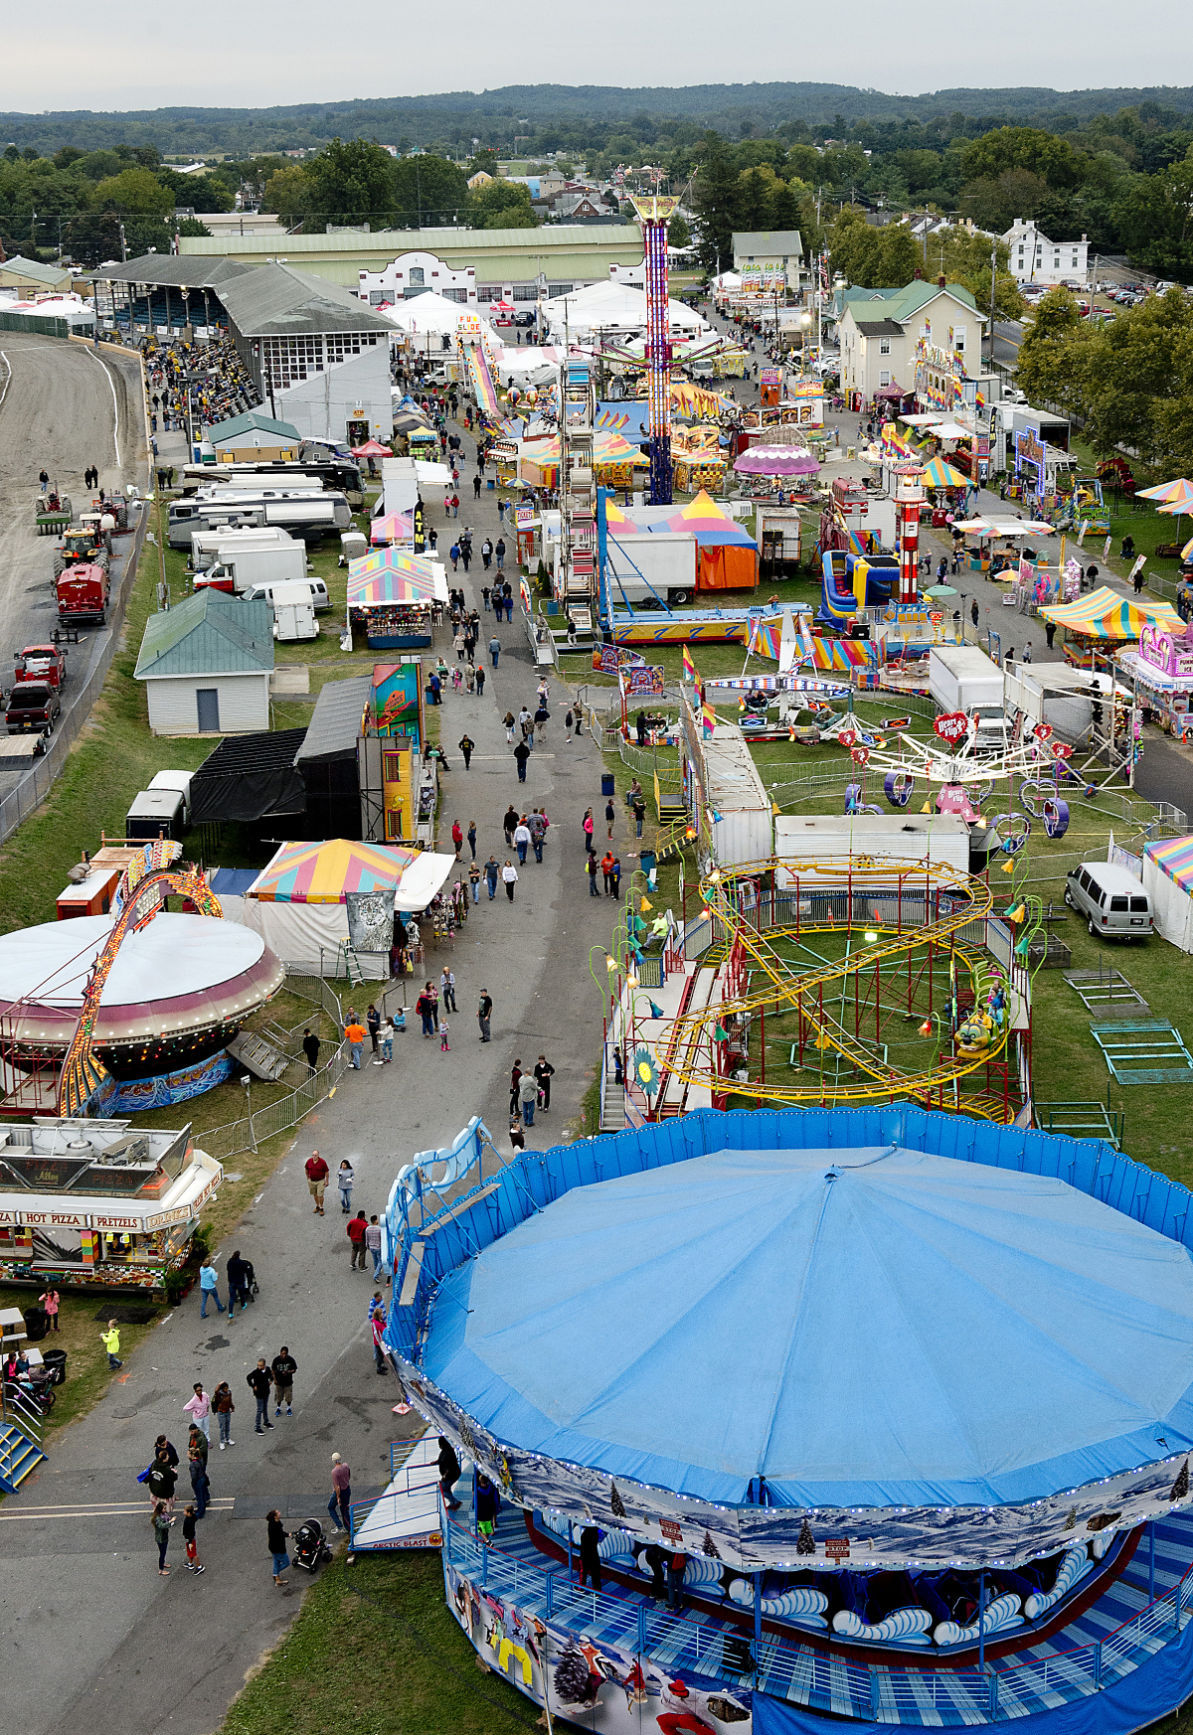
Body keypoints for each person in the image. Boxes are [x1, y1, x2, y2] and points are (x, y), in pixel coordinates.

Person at [248, 1358, 274, 1435]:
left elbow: (271, 1375)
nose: (259, 1367)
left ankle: (266, 1422)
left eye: (260, 1365)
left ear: (264, 1365)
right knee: (260, 1409)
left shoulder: (268, 1369)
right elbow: (248, 1377)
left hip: (266, 1392)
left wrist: (271, 1381)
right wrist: (253, 1386)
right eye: (258, 1365)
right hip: (259, 1393)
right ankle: (257, 1427)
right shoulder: (256, 1372)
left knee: (265, 1407)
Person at [188, 1430, 210, 1518]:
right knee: (204, 1491)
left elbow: (194, 1476)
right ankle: (207, 1498)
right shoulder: (200, 1459)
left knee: (199, 1496)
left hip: (198, 1480)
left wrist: (193, 1483)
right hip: (203, 1478)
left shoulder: (193, 1464)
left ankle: (200, 1512)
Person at [328, 1453, 352, 1533]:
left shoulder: (334, 1472)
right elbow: (349, 1475)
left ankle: (342, 1527)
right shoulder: (345, 1465)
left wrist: (338, 1497)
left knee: (331, 1507)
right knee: (345, 1509)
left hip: (340, 1492)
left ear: (334, 1461)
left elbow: (337, 1487)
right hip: (347, 1489)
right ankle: (347, 1527)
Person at [437, 1435, 462, 1509]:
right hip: (452, 1474)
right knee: (447, 1489)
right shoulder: (446, 1451)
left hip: (452, 1475)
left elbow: (449, 1467)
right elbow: (441, 1460)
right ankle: (453, 1503)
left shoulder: (448, 1453)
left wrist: (444, 1476)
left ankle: (456, 1502)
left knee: (443, 1490)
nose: (439, 1446)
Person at [272, 1346, 297, 1416]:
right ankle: (278, 1408)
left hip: (288, 1382)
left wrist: (288, 1372)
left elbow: (294, 1369)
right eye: (282, 1354)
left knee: (288, 1396)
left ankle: (288, 1408)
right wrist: (274, 1379)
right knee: (278, 1396)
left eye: (285, 1354)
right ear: (280, 1353)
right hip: (279, 1382)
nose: (284, 1355)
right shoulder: (276, 1360)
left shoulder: (290, 1359)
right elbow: (273, 1370)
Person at [267, 1510, 290, 1586]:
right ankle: (276, 1574)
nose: (280, 1512)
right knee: (286, 1562)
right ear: (275, 1516)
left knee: (276, 1561)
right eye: (278, 1513)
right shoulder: (275, 1526)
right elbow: (279, 1536)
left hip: (273, 1548)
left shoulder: (274, 1523)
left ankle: (276, 1577)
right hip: (278, 1549)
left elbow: (281, 1533)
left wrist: (287, 1534)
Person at [226, 1248, 250, 1317]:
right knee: (242, 1294)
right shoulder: (241, 1263)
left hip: (232, 1282)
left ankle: (230, 1313)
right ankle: (243, 1304)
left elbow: (228, 1269)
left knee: (231, 1298)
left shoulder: (230, 1262)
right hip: (239, 1281)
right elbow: (246, 1270)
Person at [475, 1472, 499, 1539]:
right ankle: (487, 1540)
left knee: (481, 1530)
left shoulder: (478, 1491)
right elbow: (495, 1499)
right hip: (489, 1512)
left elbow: (475, 1502)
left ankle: (487, 1542)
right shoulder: (491, 1488)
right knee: (488, 1527)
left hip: (481, 1513)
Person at [579, 1524, 602, 1591]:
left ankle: (581, 1588)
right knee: (595, 1574)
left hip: (585, 1556)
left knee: (584, 1572)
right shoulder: (595, 1533)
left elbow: (584, 1547)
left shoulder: (587, 1533)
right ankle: (597, 1591)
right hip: (594, 1556)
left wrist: (574, 1546)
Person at [212, 1381, 235, 1449]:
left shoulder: (229, 1393)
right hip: (221, 1412)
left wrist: (232, 1407)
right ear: (222, 1389)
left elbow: (230, 1401)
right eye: (225, 1388)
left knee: (227, 1426)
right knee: (222, 1428)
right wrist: (219, 1384)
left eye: (227, 1388)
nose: (226, 1389)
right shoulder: (219, 1394)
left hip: (227, 1411)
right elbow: (216, 1391)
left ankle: (227, 1439)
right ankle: (222, 1442)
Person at [152, 1501, 172, 1577]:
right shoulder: (158, 1518)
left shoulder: (163, 1515)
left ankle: (163, 1563)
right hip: (161, 1538)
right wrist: (170, 1522)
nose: (165, 1509)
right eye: (164, 1508)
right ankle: (161, 1570)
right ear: (160, 1509)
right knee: (162, 1554)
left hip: (164, 1536)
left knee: (163, 1552)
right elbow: (161, 1525)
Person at [305, 1150, 329, 1214]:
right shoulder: (309, 1161)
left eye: (315, 1155)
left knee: (320, 1195)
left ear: (318, 1155)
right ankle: (317, 1206)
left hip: (320, 1181)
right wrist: (307, 1177)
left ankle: (321, 1208)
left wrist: (327, 1181)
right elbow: (306, 1169)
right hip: (312, 1181)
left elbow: (326, 1171)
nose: (314, 1156)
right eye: (313, 1155)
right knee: (315, 1195)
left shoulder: (322, 1162)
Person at [183, 1505, 205, 1574]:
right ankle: (190, 1564)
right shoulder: (192, 1517)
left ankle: (199, 1566)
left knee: (193, 1553)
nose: (183, 1512)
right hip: (189, 1538)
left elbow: (190, 1532)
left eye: (185, 1511)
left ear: (189, 1513)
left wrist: (190, 1542)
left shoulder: (189, 1521)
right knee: (190, 1552)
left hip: (190, 1539)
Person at [365, 1214, 384, 1280]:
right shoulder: (379, 1229)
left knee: (375, 1259)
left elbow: (367, 1238)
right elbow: (381, 1238)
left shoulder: (367, 1229)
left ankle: (377, 1270)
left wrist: (367, 1246)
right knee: (381, 1261)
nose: (377, 1221)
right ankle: (376, 1275)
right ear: (375, 1220)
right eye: (377, 1219)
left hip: (371, 1247)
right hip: (378, 1247)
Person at [371, 1304, 388, 1374]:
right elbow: (383, 1331)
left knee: (380, 1355)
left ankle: (380, 1366)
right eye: (381, 1314)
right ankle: (379, 1368)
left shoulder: (376, 1322)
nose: (383, 1315)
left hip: (378, 1342)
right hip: (379, 1342)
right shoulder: (378, 1324)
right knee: (380, 1356)